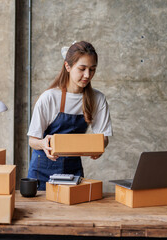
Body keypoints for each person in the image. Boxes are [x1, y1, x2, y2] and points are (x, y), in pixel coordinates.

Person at [27, 41, 113, 190]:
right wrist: (43, 144)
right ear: (68, 66)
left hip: (73, 171)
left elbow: (103, 137)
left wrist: (98, 147)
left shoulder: (97, 99)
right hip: (42, 172)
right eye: (82, 69)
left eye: (92, 69)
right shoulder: (49, 97)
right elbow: (32, 140)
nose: (87, 75)